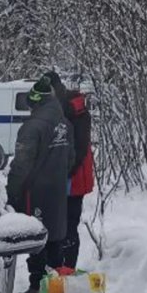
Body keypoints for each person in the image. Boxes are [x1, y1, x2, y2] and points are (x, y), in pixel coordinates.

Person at [7, 75, 74, 293]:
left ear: (35, 102)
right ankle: (55, 282)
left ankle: (37, 284)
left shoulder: (31, 127)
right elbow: (71, 159)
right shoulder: (65, 124)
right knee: (56, 235)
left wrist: (12, 191)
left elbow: (21, 165)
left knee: (36, 238)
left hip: (34, 192)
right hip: (58, 190)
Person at [45, 70, 94, 269]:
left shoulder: (76, 110)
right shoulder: (54, 108)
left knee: (69, 226)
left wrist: (65, 171)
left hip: (73, 179)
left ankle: (68, 271)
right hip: (57, 177)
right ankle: (56, 269)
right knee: (55, 226)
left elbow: (80, 147)